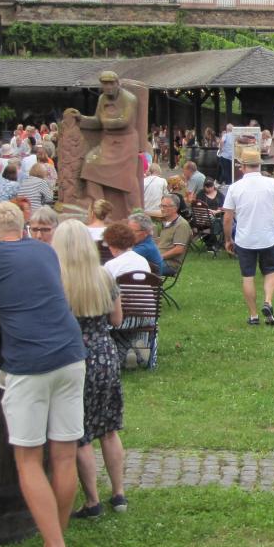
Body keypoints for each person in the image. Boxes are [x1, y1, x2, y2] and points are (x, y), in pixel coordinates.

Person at [0, 201, 88, 547]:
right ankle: (56, 544)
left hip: (28, 361)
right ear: (23, 230)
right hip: (71, 353)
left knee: (28, 459)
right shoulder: (43, 250)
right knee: (65, 455)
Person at [53, 220, 127, 521]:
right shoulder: (104, 276)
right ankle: (119, 493)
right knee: (109, 428)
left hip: (73, 356)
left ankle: (93, 500)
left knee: (79, 433)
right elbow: (117, 319)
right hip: (105, 353)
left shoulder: (56, 280)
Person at [223, 146, 274, 326]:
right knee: (270, 271)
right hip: (269, 236)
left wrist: (228, 239)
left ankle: (253, 316)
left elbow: (227, 218)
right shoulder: (273, 184)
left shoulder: (235, 187)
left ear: (242, 166)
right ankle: (268, 301)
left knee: (248, 276)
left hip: (245, 238)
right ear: (259, 165)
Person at [65, 72, 142, 216]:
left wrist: (106, 122)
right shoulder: (102, 99)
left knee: (127, 180)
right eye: (104, 84)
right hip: (108, 142)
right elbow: (97, 121)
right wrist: (81, 119)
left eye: (111, 83)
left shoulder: (129, 99)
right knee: (90, 162)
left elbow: (124, 121)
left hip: (125, 142)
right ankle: (99, 205)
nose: (108, 87)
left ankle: (135, 212)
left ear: (117, 83)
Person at [156, 195, 193, 275]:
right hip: (160, 261)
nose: (162, 209)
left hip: (170, 264)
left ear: (175, 208)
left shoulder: (181, 225)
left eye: (165, 206)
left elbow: (179, 250)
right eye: (161, 206)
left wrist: (159, 257)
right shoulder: (165, 222)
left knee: (140, 268)